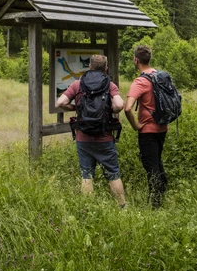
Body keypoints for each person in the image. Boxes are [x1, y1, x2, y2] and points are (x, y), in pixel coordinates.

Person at [56, 54, 126, 208]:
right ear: (105, 69)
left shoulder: (78, 84)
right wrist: (111, 109)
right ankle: (122, 207)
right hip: (104, 137)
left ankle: (88, 209)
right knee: (113, 173)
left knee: (86, 174)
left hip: (83, 137)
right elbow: (120, 105)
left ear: (89, 67)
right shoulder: (110, 85)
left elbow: (60, 102)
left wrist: (75, 108)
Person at [124, 44, 168, 208]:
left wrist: (136, 125)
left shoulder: (141, 81)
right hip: (162, 127)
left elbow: (127, 107)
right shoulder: (160, 76)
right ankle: (162, 189)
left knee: (151, 165)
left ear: (136, 60)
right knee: (156, 160)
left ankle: (156, 204)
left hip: (147, 130)